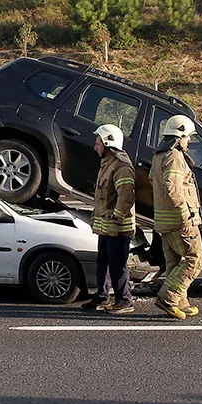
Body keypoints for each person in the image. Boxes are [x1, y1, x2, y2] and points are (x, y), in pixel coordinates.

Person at [152, 115, 202, 320]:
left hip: (164, 221)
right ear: (179, 135)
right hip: (180, 220)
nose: (189, 141)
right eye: (188, 137)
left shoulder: (158, 156)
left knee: (174, 263)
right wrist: (185, 213)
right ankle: (168, 298)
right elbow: (171, 186)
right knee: (195, 260)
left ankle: (181, 302)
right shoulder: (174, 157)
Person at [85, 124, 136, 314]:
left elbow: (126, 197)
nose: (95, 147)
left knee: (118, 265)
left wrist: (116, 218)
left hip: (118, 228)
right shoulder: (106, 165)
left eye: (98, 143)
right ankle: (102, 296)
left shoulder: (122, 168)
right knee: (103, 263)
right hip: (106, 227)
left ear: (108, 144)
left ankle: (125, 300)